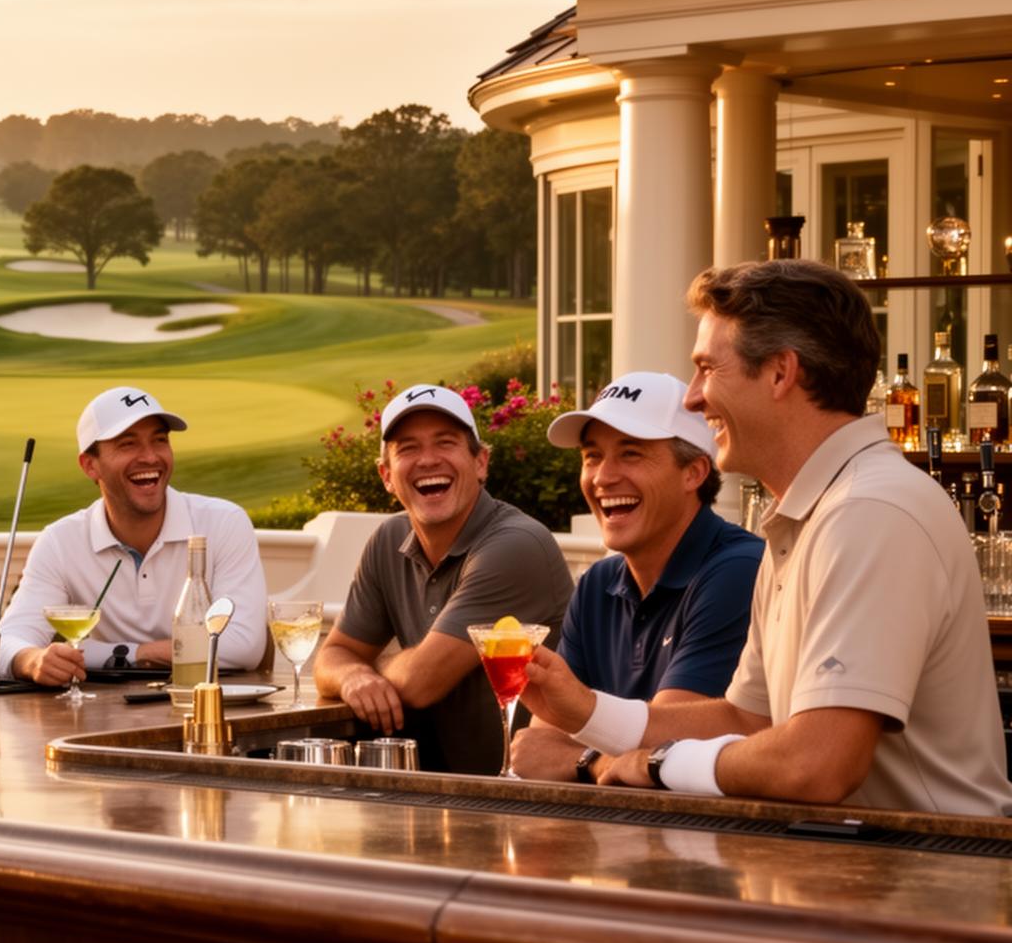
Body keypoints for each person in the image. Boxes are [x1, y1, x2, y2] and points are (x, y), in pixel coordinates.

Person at [523, 259, 1012, 815]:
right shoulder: (804, 517)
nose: (693, 397)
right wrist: (585, 712)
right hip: (853, 874)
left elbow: (817, 762)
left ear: (781, 373)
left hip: (929, 882)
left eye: (708, 368)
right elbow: (746, 720)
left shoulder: (870, 510)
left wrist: (661, 765)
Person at [508, 371, 762, 782]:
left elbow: (665, 754)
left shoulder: (737, 570)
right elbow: (541, 747)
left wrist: (586, 760)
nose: (603, 477)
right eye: (592, 456)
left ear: (694, 473)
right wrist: (599, 761)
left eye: (631, 454)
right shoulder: (597, 584)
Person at [311, 384, 573, 775]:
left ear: (481, 462)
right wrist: (352, 676)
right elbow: (332, 656)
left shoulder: (517, 546)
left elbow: (421, 681)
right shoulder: (387, 541)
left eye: (446, 443)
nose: (428, 460)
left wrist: (370, 669)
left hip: (529, 796)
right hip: (438, 794)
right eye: (408, 448)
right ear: (386, 475)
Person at [0, 386, 267, 684]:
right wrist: (32, 660)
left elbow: (243, 644)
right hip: (106, 719)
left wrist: (128, 654)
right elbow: (9, 641)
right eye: (128, 444)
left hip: (209, 709)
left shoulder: (224, 522)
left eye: (160, 440)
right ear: (90, 465)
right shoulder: (60, 541)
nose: (150, 457)